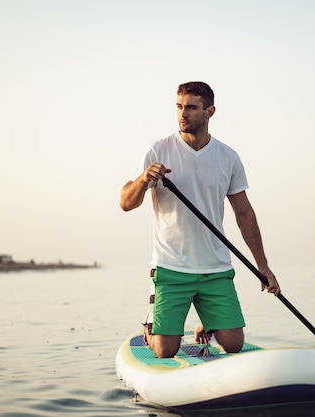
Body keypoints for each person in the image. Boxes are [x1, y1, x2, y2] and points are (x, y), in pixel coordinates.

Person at [120, 81, 280, 358]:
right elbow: (126, 203)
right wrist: (145, 178)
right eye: (180, 106)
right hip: (171, 268)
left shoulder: (228, 157)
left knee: (233, 345)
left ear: (210, 112)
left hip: (214, 268)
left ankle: (209, 321)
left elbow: (244, 214)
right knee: (165, 351)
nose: (183, 114)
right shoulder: (158, 150)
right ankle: (151, 327)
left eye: (192, 108)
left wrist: (263, 266)